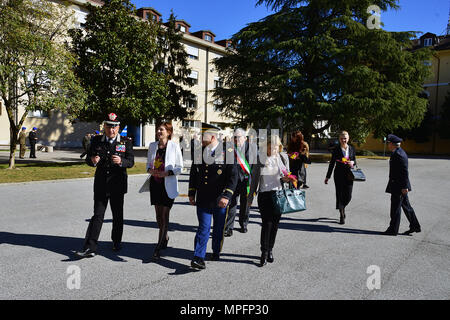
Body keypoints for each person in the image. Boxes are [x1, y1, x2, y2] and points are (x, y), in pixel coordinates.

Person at [75, 113, 135, 258]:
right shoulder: (96, 141)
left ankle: (116, 241)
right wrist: (93, 161)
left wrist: (121, 162)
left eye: (114, 127)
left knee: (117, 215)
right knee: (97, 215)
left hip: (117, 184)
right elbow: (89, 159)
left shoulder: (125, 141)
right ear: (105, 127)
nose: (111, 130)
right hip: (101, 184)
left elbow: (131, 161)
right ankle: (90, 247)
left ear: (118, 127)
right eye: (109, 126)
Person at [188, 129, 238, 270]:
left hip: (219, 199)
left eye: (203, 137)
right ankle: (198, 258)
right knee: (203, 228)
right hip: (203, 197)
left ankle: (216, 251)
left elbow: (233, 177)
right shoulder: (199, 152)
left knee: (218, 228)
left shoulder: (227, 152)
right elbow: (194, 174)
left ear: (212, 137)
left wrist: (227, 196)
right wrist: (192, 193)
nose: (201, 139)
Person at [249, 136, 296, 267]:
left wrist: (289, 179)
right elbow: (254, 179)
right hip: (264, 195)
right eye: (271, 146)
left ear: (279, 147)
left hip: (279, 194)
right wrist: (250, 197)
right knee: (266, 224)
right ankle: (263, 252)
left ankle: (270, 249)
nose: (273, 149)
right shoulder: (261, 158)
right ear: (267, 147)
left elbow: (286, 176)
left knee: (275, 224)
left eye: (276, 146)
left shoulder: (283, 158)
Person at [146, 122, 183, 259]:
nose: (159, 131)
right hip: (155, 185)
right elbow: (147, 165)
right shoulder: (152, 146)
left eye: (162, 129)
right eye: (158, 129)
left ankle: (158, 247)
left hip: (168, 185)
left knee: (164, 215)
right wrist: (151, 170)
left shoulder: (174, 146)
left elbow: (180, 167)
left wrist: (168, 173)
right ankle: (165, 237)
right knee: (158, 216)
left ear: (168, 132)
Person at [383, 134, 421, 236]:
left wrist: (405, 187)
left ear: (392, 144)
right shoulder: (398, 152)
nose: (388, 145)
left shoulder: (398, 154)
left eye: (388, 143)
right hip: (399, 185)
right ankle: (415, 225)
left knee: (395, 208)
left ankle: (393, 230)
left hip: (399, 186)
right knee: (406, 206)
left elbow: (404, 172)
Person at [324, 131, 356, 225]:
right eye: (342, 138)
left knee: (348, 196)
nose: (343, 140)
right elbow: (332, 164)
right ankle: (341, 214)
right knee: (339, 194)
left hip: (349, 175)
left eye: (345, 138)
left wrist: (352, 163)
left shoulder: (352, 148)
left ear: (348, 138)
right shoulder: (336, 150)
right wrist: (327, 176)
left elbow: (355, 160)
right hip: (338, 175)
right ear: (339, 139)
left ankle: (342, 207)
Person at [224, 128, 251, 236]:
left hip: (246, 181)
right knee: (232, 204)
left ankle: (243, 223)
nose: (236, 139)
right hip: (233, 181)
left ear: (245, 138)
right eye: (234, 137)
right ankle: (229, 227)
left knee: (245, 204)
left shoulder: (252, 148)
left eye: (238, 137)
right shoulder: (229, 148)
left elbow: (254, 167)